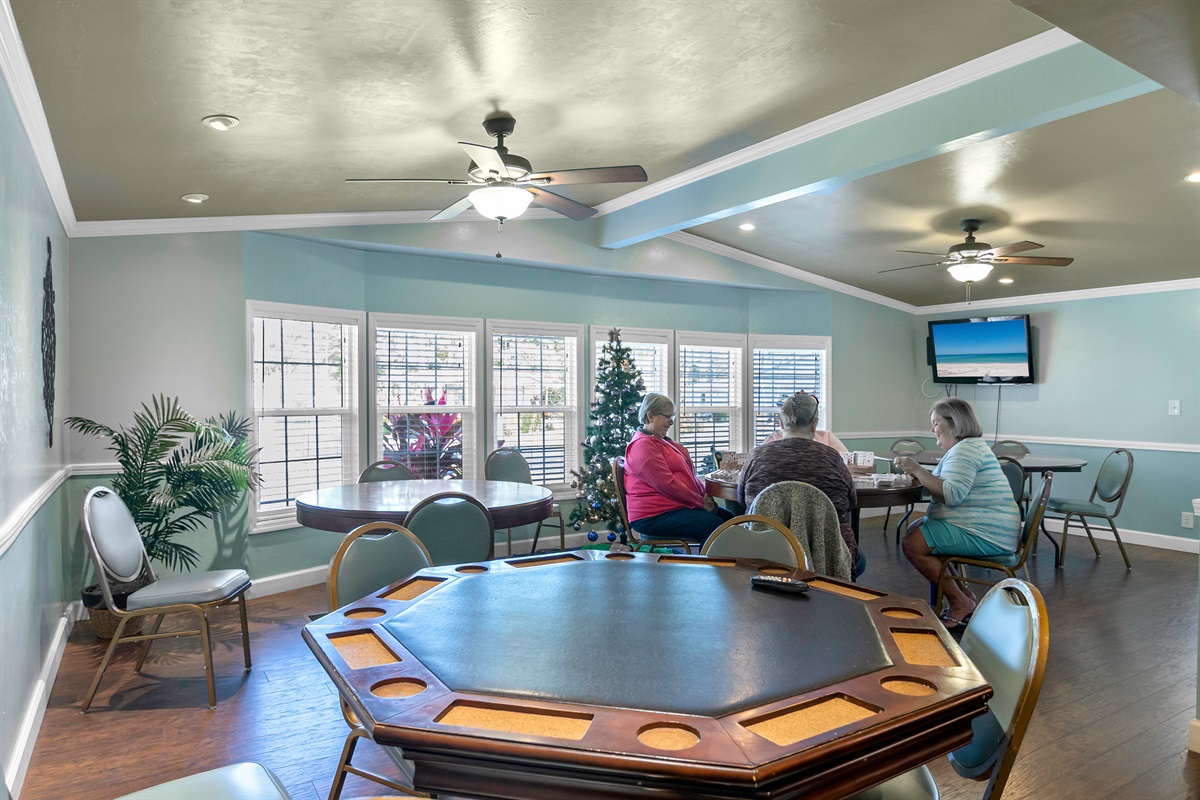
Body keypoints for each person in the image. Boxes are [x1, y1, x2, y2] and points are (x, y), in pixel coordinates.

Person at [894, 397, 1021, 629]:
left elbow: (951, 494)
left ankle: (959, 601)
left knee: (913, 544)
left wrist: (916, 468)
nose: (932, 429)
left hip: (988, 533)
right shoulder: (969, 447)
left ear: (954, 424)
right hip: (988, 528)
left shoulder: (965, 451)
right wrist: (922, 474)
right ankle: (963, 597)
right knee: (916, 530)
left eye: (936, 423)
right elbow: (947, 484)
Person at [738, 391, 859, 564]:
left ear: (781, 423)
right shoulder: (832, 458)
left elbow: (741, 499)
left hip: (765, 548)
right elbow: (851, 502)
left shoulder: (756, 456)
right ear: (814, 424)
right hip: (827, 551)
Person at [623, 393, 734, 542]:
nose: (671, 423)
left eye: (673, 418)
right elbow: (668, 485)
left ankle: (732, 564)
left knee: (731, 521)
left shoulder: (661, 441)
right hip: (653, 515)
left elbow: (688, 474)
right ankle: (708, 565)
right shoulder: (642, 446)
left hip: (675, 507)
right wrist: (700, 503)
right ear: (650, 416)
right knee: (714, 526)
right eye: (668, 417)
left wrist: (703, 495)